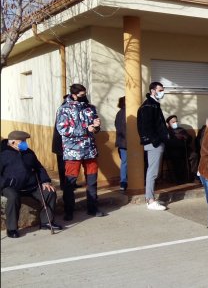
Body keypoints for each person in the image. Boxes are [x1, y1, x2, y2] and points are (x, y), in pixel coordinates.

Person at [56, 84, 106, 220]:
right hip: (73, 152)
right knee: (70, 183)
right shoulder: (64, 109)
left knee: (92, 181)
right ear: (74, 94)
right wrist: (85, 129)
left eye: (85, 94)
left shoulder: (90, 108)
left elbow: (95, 129)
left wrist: (96, 127)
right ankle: (69, 211)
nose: (84, 97)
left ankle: (93, 208)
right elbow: (63, 130)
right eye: (81, 95)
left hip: (90, 150)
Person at [1, 131, 63, 238]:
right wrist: (8, 182)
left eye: (25, 141)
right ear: (13, 142)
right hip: (10, 186)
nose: (25, 143)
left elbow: (39, 168)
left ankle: (46, 222)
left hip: (31, 186)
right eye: (23, 141)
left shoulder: (28, 152)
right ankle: (11, 228)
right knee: (13, 197)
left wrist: (45, 181)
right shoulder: (3, 154)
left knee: (49, 192)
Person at [137, 81, 169, 211]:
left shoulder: (154, 105)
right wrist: (156, 140)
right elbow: (146, 127)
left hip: (155, 142)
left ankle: (151, 198)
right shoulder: (148, 106)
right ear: (153, 90)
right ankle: (150, 200)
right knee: (152, 172)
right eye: (160, 90)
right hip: (153, 143)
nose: (162, 92)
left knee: (153, 171)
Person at [164, 115, 196, 183]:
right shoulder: (167, 131)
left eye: (176, 121)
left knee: (194, 155)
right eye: (173, 122)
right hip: (174, 151)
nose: (175, 123)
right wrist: (179, 141)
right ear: (169, 123)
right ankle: (179, 179)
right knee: (177, 158)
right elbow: (169, 143)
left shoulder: (181, 129)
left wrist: (186, 138)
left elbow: (189, 139)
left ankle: (192, 175)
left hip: (185, 149)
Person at [114, 97, 128, 191]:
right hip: (126, 142)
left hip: (122, 142)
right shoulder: (125, 113)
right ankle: (123, 182)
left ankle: (123, 182)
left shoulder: (119, 113)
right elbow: (124, 129)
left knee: (124, 162)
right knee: (125, 163)